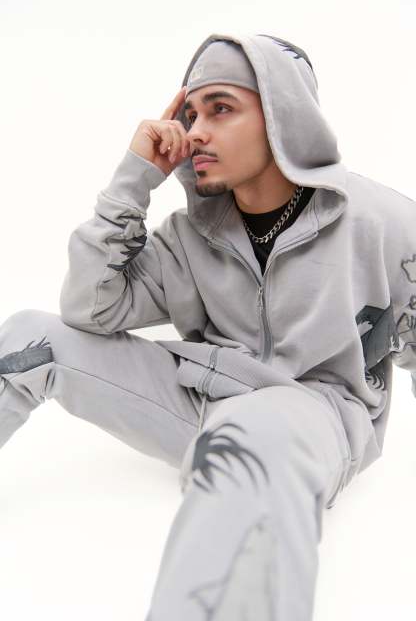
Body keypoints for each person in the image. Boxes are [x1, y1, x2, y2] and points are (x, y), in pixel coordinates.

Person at [0, 32, 415, 620]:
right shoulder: (192, 234)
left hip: (311, 416)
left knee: (250, 434)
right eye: (191, 114)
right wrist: (135, 178)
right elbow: (90, 309)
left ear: (284, 115)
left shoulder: (381, 223)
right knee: (30, 338)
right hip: (202, 396)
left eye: (221, 108)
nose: (195, 131)